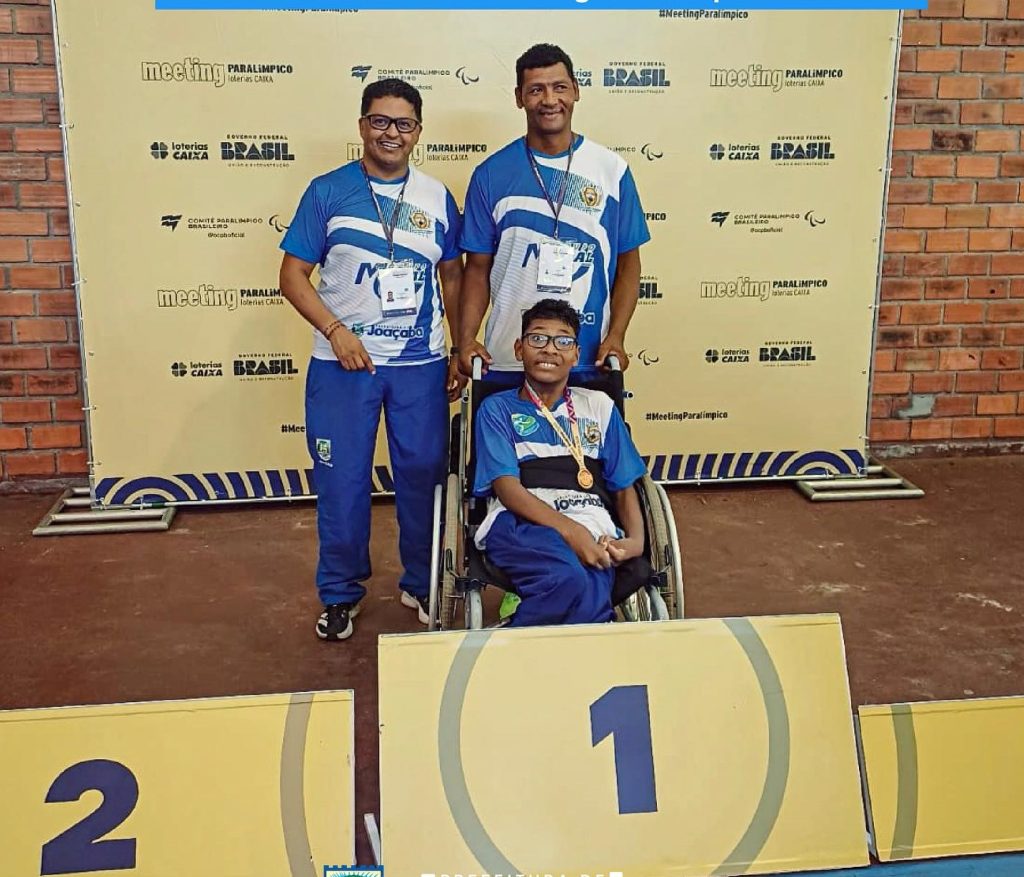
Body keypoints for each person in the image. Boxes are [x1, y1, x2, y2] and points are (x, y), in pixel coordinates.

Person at [279, 78, 464, 641]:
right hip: (343, 366)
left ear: (418, 132)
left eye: (403, 124)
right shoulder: (328, 191)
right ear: (362, 125)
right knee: (343, 483)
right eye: (380, 121)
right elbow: (292, 276)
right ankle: (340, 593)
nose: (391, 133)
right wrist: (335, 331)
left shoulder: (437, 197)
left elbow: (453, 277)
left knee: (423, 479)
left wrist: (458, 348)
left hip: (419, 366)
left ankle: (423, 583)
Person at [458, 43, 651, 385]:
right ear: (519, 97)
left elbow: (628, 265)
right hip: (509, 360)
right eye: (536, 90)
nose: (549, 100)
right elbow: (476, 269)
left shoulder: (611, 171)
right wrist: (466, 338)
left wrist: (617, 335)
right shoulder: (490, 174)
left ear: (575, 90)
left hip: (589, 359)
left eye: (559, 87)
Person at [472, 299, 647, 627]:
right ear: (519, 348)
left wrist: (635, 543)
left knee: (591, 597)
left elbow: (624, 488)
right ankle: (513, 646)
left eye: (563, 341)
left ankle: (517, 641)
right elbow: (507, 489)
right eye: (538, 338)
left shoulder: (599, 406)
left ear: (576, 354)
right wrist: (572, 533)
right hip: (520, 522)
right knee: (570, 579)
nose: (550, 349)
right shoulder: (497, 410)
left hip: (593, 524)